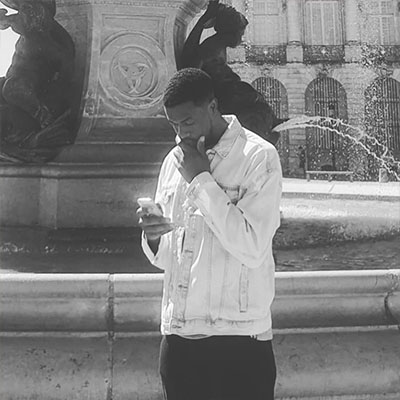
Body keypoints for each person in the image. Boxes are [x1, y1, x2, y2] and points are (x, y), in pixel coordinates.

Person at [138, 68, 282, 400]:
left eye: (187, 121)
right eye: (173, 124)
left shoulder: (258, 157)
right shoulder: (173, 161)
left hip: (240, 338)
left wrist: (201, 179)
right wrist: (154, 236)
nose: (180, 132)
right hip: (179, 337)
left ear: (213, 106)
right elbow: (167, 259)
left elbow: (252, 247)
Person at [180, 0, 286, 146]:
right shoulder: (212, 47)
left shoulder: (217, 45)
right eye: (240, 34)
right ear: (229, 32)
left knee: (253, 97)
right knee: (254, 100)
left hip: (225, 90)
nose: (241, 39)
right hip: (220, 93)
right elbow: (191, 69)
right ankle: (265, 131)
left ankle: (269, 125)